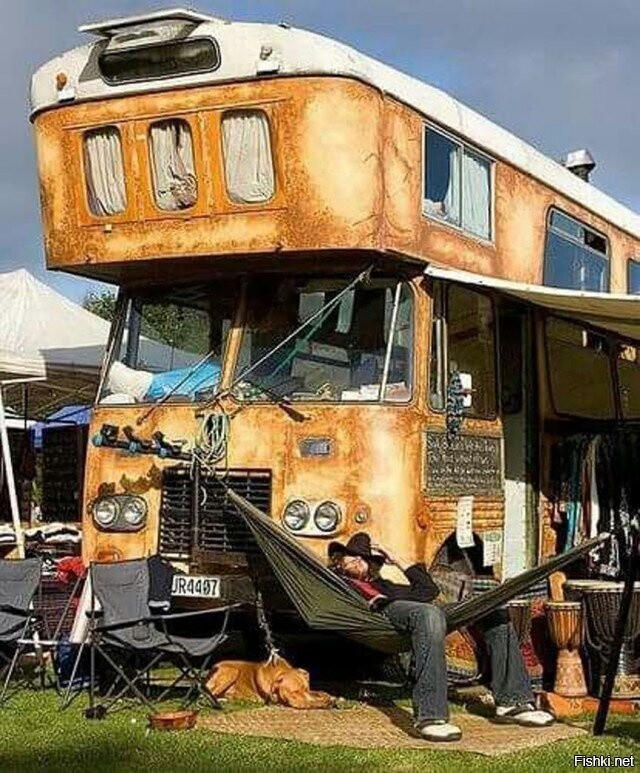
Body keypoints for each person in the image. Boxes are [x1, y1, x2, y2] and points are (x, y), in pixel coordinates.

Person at [328, 532, 554, 743]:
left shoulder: (384, 586)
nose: (357, 560)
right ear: (339, 560)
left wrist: (398, 560)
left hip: (408, 611)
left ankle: (513, 701)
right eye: (352, 556)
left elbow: (429, 591)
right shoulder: (336, 583)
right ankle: (431, 716)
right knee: (429, 613)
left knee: (493, 608)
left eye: (364, 559)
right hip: (380, 614)